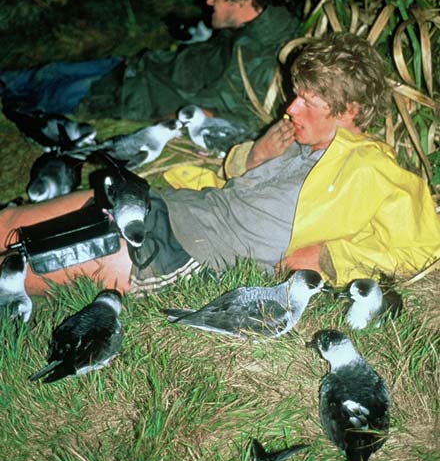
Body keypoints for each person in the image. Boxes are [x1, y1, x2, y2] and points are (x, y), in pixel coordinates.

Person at [1, 33, 439, 295]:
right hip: (165, 204)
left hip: (182, 252)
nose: (291, 108)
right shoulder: (299, 140)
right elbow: (233, 181)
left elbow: (423, 247)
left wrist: (330, 256)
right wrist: (257, 154)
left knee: (19, 266)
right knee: (13, 221)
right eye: (296, 94)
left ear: (350, 111)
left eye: (309, 100)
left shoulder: (374, 170)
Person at [76, 0, 299, 126]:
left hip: (130, 93)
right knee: (46, 73)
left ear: (242, 1)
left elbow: (245, 119)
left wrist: (173, 121)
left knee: (48, 90)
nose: (209, 1)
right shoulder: (254, 29)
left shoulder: (260, 57)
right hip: (139, 67)